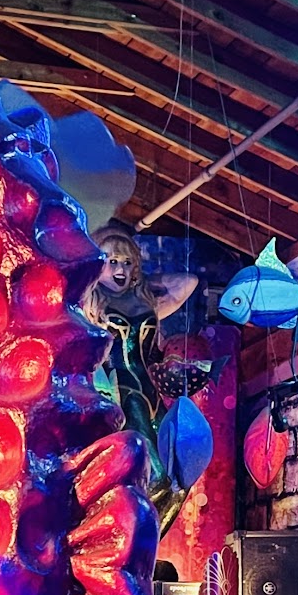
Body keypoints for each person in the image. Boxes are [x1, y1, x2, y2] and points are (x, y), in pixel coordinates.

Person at [85, 224, 202, 535]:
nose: (120, 270)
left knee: (180, 474)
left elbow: (188, 282)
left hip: (149, 390)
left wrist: (146, 280)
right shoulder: (91, 305)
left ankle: (147, 542)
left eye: (127, 262)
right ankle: (131, 537)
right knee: (156, 475)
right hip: (122, 391)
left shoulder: (147, 302)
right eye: (112, 261)